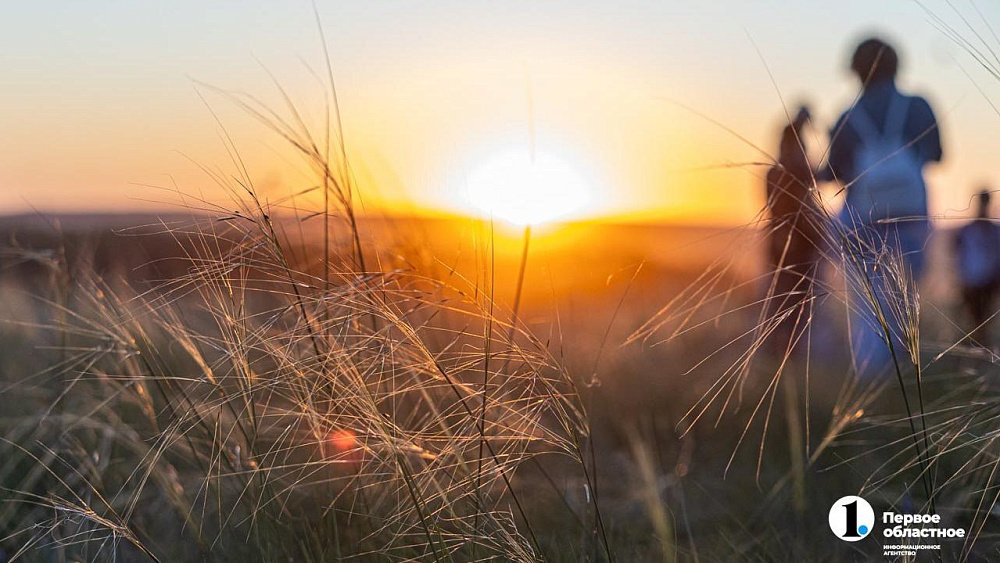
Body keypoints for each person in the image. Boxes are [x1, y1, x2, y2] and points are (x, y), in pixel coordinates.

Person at [820, 37, 943, 377]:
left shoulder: (848, 116)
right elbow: (937, 154)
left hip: (864, 223)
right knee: (906, 303)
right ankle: (908, 376)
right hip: (912, 221)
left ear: (857, 71)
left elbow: (833, 174)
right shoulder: (918, 107)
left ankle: (874, 385)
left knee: (869, 309)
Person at [764, 106, 824, 350]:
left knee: (788, 301)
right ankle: (784, 350)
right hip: (792, 248)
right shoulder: (791, 173)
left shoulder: (776, 173)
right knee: (791, 302)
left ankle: (785, 350)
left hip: (791, 248)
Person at [955, 189, 1000, 347]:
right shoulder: (967, 230)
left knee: (983, 318)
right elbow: (957, 254)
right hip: (971, 280)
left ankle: (980, 348)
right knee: (976, 318)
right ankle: (978, 348)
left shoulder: (994, 230)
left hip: (989, 281)